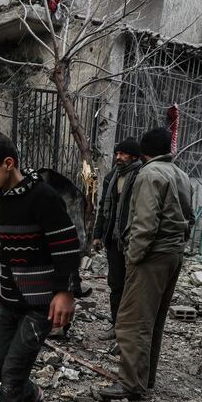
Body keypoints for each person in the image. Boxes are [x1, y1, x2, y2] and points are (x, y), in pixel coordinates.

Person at [0, 132, 79, 402]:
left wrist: (64, 292)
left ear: (9, 164)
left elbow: (66, 248)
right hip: (10, 300)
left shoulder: (43, 198)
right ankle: (32, 397)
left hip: (41, 303)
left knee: (14, 369)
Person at [98, 127, 194, 401]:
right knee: (154, 319)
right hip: (173, 253)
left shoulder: (149, 174)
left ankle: (130, 383)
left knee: (132, 320)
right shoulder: (181, 174)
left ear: (144, 151)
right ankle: (145, 377)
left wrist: (133, 258)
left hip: (151, 255)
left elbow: (144, 222)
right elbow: (189, 218)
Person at [91, 139, 143, 344]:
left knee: (133, 287)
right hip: (113, 240)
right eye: (117, 153)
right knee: (115, 284)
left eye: (123, 154)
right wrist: (97, 234)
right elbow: (104, 206)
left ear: (134, 156)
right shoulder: (113, 176)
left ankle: (129, 331)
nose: (119, 157)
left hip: (132, 240)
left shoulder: (141, 176)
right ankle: (116, 324)